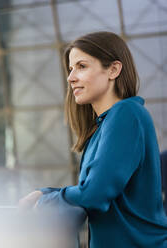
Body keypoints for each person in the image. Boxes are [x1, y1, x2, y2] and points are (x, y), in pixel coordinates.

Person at [19, 31, 167, 247]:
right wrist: (48, 193)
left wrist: (46, 200)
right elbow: (93, 188)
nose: (70, 78)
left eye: (81, 66)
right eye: (70, 69)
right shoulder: (104, 127)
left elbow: (94, 194)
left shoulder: (126, 113)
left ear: (113, 70)